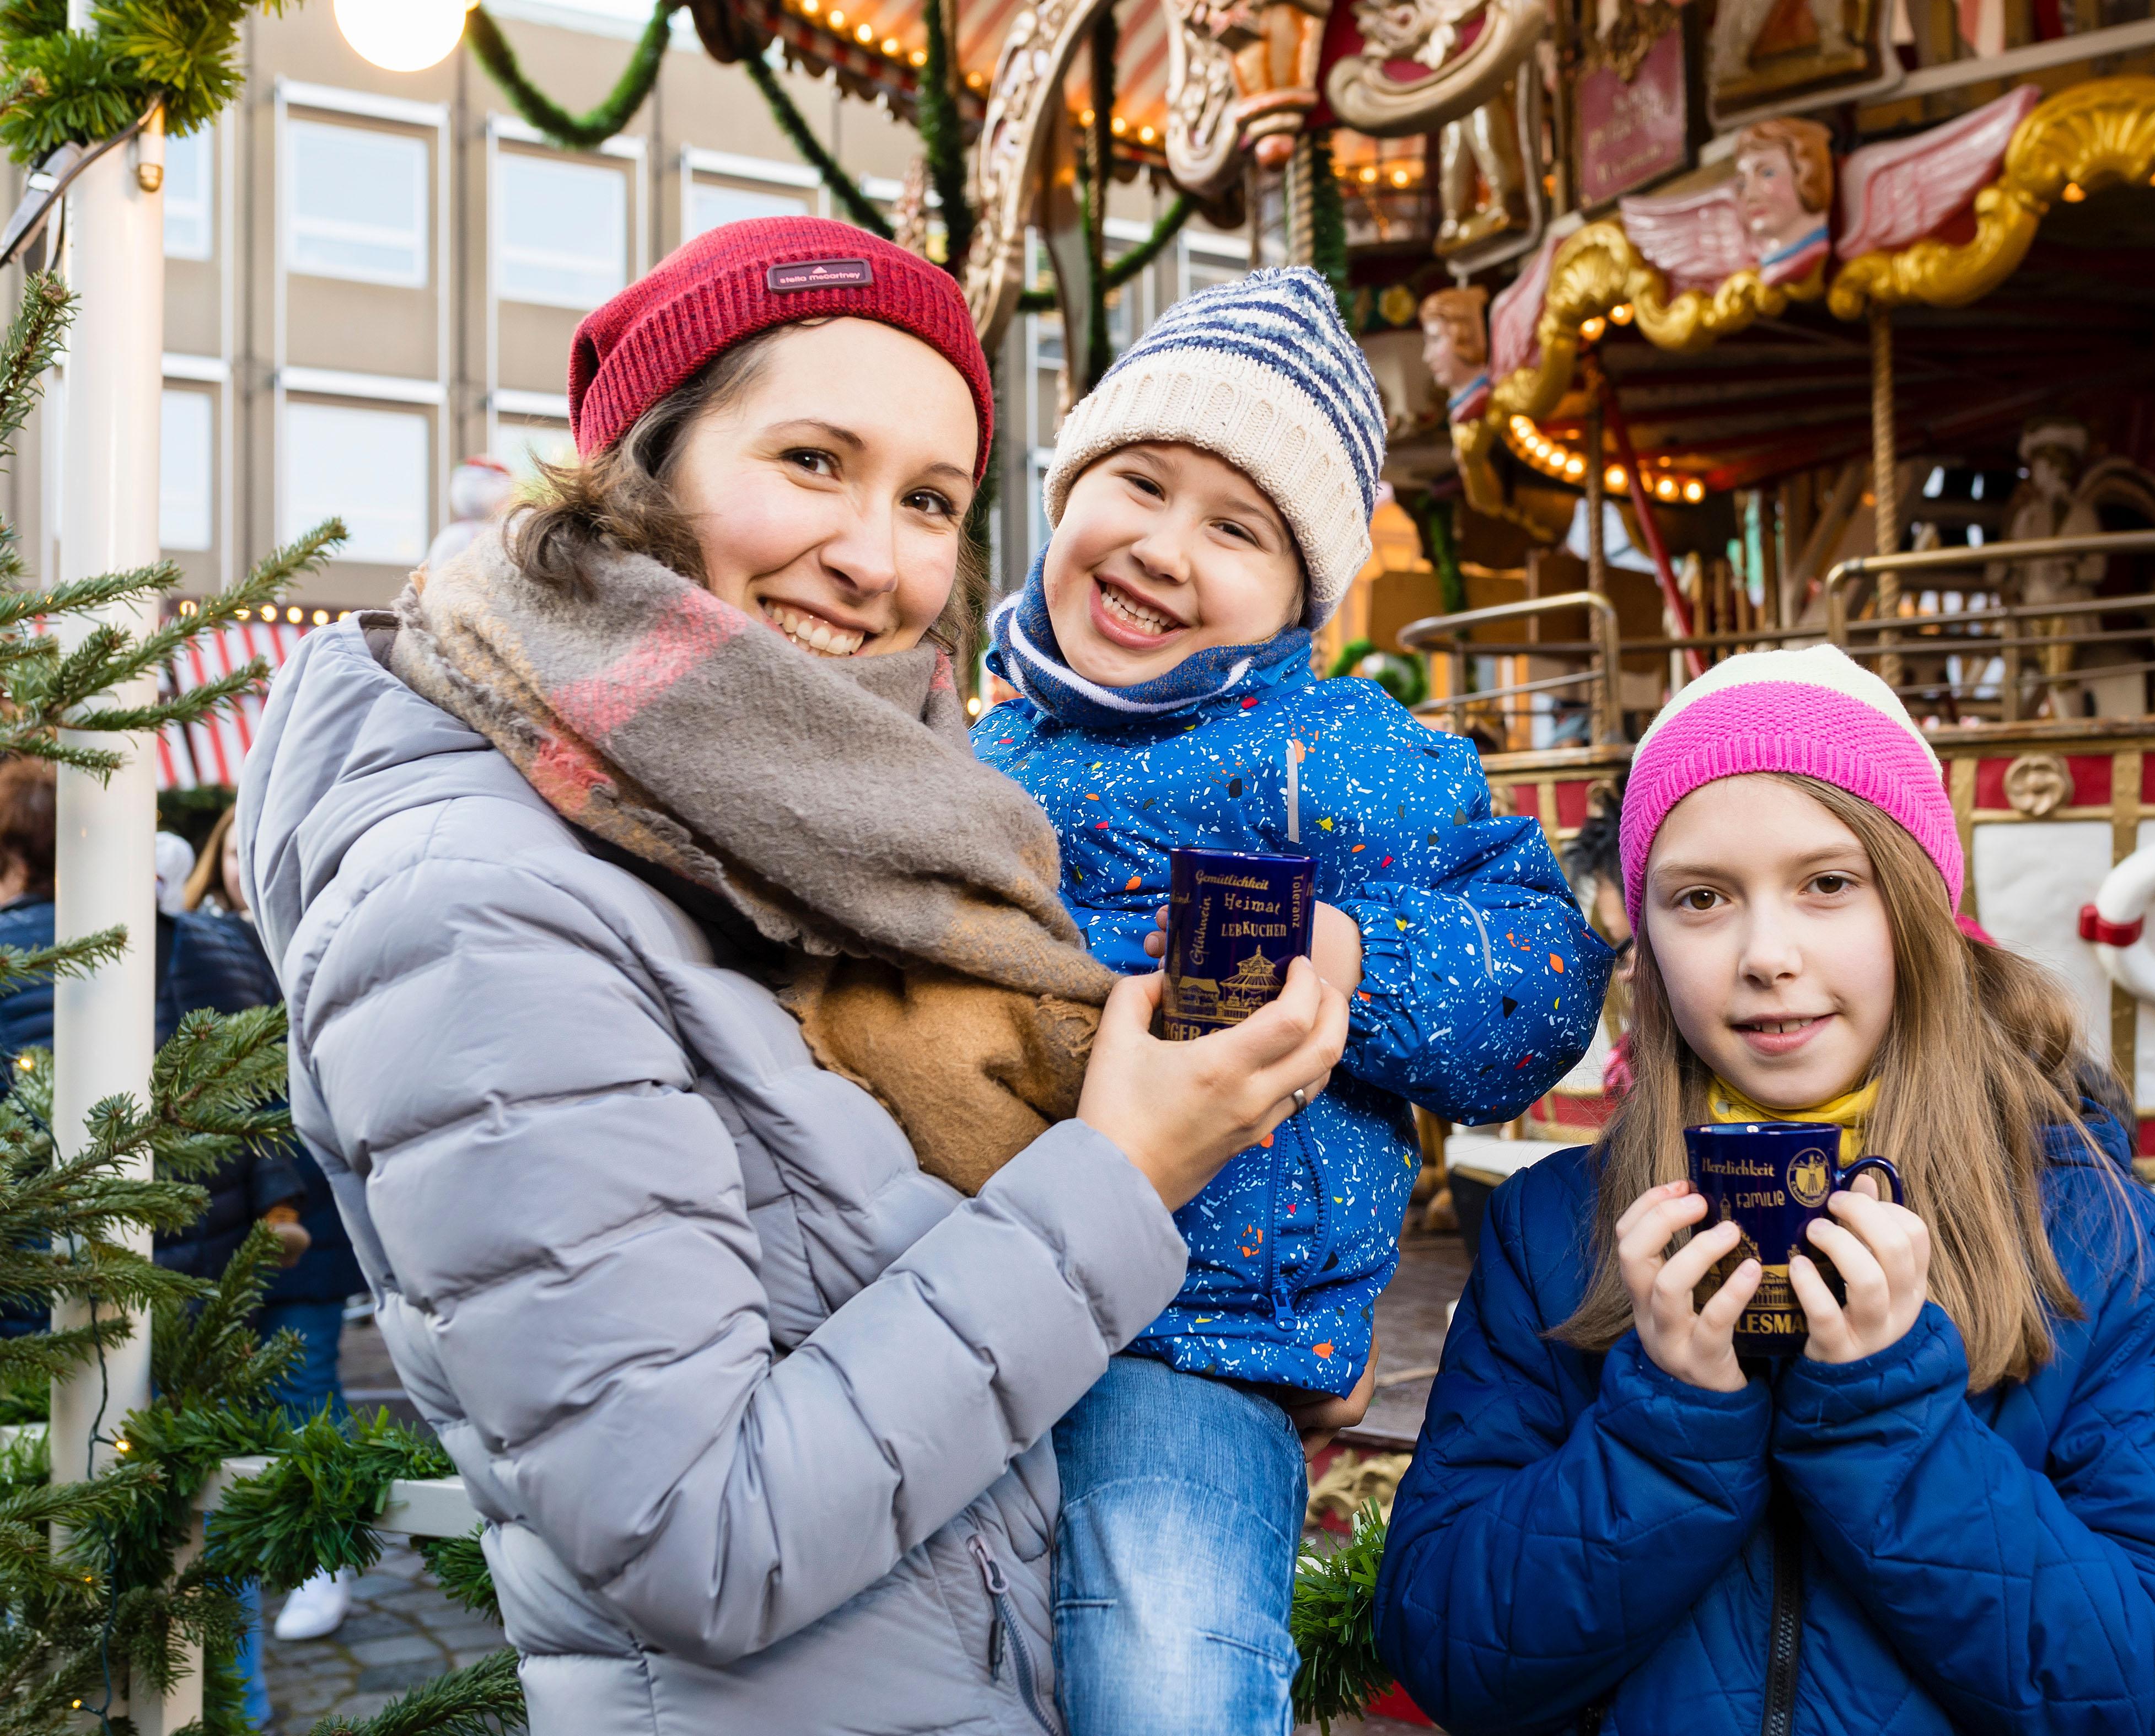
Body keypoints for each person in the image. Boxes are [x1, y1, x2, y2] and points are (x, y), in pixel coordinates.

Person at [237, 218, 1350, 1734]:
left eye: (931, 499)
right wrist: (1125, 1172)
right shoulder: (477, 901)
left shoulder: (805, 829)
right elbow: (696, 1533)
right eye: (812, 460)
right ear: (645, 461)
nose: (875, 556)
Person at [1372, 645, 2155, 1735]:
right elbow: (1448, 1654)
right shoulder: (1552, 1235)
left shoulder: (2114, 1252)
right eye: (1700, 898)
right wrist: (1666, 1421)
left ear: (1922, 912)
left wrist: (1887, 1410)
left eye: (1829, 884)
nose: (1765, 953)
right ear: (1644, 946)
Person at [975, 266, 1612, 1736]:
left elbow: (1536, 973)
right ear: (1065, 486)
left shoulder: (1333, 753)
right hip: (954, 1279)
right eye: (1136, 481)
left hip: (1197, 1325)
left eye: (1235, 525)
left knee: (1167, 1661)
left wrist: (1350, 953)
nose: (1161, 544)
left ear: (1299, 597)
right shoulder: (972, 741)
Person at [0, 762, 310, 1726]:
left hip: (31, 1327)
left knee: (45, 1573)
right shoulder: (206, 941)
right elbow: (270, 1093)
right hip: (201, 1314)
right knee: (205, 1577)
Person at [184, 804, 370, 1642]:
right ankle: (252, 1557)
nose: (242, 864)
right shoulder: (189, 952)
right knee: (228, 1399)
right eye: (233, 849)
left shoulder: (325, 937)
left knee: (304, 1388)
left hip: (313, 1214)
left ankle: (322, 1560)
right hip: (218, 1221)